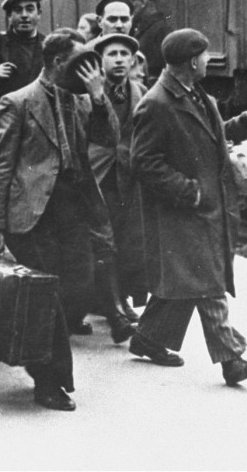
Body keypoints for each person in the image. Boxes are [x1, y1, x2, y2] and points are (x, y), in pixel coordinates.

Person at [0, 29, 113, 411]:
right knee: (47, 298)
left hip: (71, 209)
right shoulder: (18, 102)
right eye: (81, 62)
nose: (89, 70)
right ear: (58, 63)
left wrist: (99, 96)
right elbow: (1, 166)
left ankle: (43, 363)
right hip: (32, 214)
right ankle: (49, 380)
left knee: (81, 285)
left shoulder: (82, 101)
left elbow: (109, 138)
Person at [129, 28, 247, 387]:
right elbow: (143, 162)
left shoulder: (196, 94)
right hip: (184, 211)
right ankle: (232, 359)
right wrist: (191, 193)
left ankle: (148, 337)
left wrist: (243, 124)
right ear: (191, 61)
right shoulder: (156, 104)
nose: (208, 61)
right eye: (204, 56)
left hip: (204, 210)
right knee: (207, 280)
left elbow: (209, 137)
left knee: (189, 280)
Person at [82, 32, 149, 342]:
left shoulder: (141, 91)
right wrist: (96, 98)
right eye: (112, 54)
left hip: (128, 177)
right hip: (98, 175)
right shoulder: (85, 94)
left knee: (126, 241)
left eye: (125, 54)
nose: (120, 59)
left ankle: (120, 301)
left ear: (133, 60)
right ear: (100, 61)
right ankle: (116, 313)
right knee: (103, 242)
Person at [0, 0, 45, 98]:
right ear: (9, 16)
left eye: (30, 9)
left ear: (39, 14)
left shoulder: (48, 45)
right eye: (18, 10)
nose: (24, 15)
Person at [127, 0, 173, 84]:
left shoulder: (162, 31)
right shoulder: (136, 27)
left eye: (131, 2)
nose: (128, 7)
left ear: (143, 2)